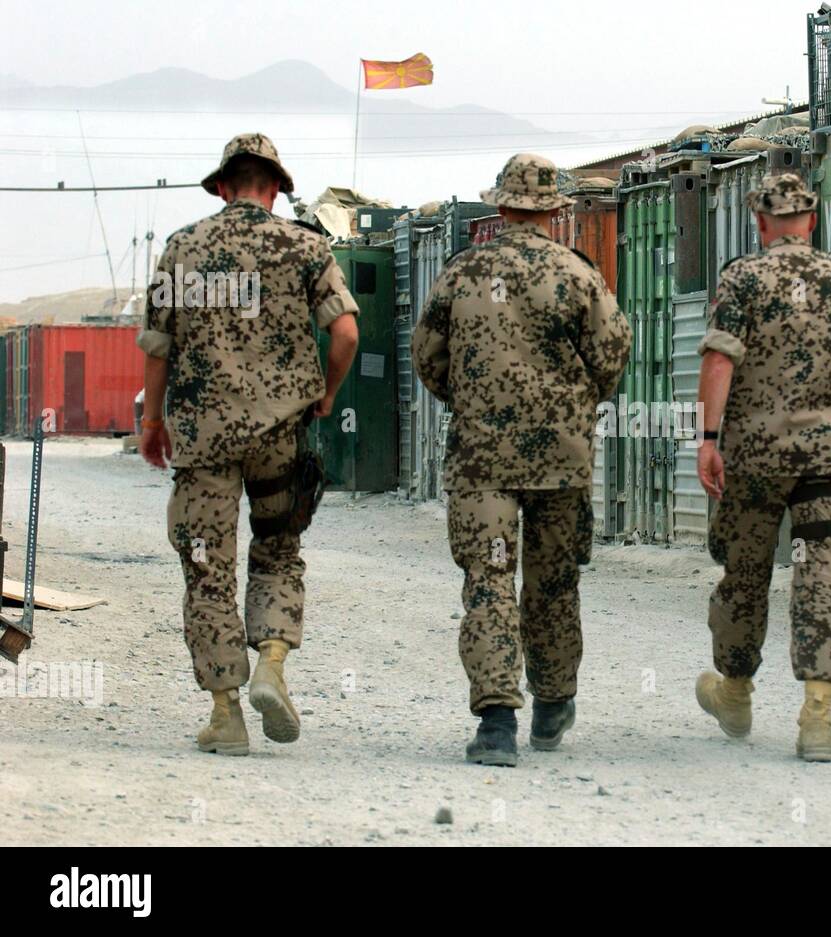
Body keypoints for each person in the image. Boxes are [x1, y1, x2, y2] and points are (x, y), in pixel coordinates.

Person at [138, 133, 359, 756]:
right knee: (279, 552)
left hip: (202, 443)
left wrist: (152, 422)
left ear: (220, 186)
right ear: (276, 189)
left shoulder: (181, 249)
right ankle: (272, 663)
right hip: (280, 439)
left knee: (207, 570)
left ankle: (226, 713)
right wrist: (325, 395)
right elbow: (344, 333)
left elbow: (157, 347)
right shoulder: (307, 247)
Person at [414, 153, 631, 767]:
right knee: (554, 582)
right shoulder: (579, 274)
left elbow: (427, 354)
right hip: (561, 457)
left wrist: (468, 398)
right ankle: (553, 703)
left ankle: (496, 724)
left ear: (500, 204)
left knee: (488, 581)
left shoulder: (462, 272)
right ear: (555, 208)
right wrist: (575, 401)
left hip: (482, 458)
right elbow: (612, 354)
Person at [694, 173, 831, 762]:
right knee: (823, 574)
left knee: (745, 573)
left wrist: (706, 437)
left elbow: (720, 359)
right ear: (813, 221)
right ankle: (817, 719)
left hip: (755, 455)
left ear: (760, 223)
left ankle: (736, 691)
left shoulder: (742, 278)